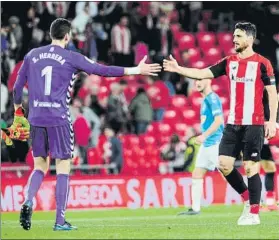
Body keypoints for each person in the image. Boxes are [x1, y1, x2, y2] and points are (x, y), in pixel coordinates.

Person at [13, 18, 161, 231]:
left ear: (50, 35)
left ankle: (28, 200)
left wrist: (19, 111)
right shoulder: (72, 57)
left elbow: (17, 88)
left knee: (40, 166)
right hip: (59, 118)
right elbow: (103, 70)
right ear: (67, 36)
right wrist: (136, 70)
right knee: (63, 167)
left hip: (36, 118)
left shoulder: (32, 55)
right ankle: (59, 221)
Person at [163, 22, 278, 225]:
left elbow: (272, 94)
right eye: (234, 36)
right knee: (223, 165)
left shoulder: (262, 63)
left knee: (251, 167)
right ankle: (246, 199)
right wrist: (178, 68)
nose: (234, 39)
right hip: (233, 124)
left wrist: (271, 121)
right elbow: (202, 73)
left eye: (239, 36)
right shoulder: (229, 62)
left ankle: (253, 213)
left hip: (254, 124)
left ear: (250, 39)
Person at [178, 79, 224, 215]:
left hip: (215, 143)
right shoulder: (205, 100)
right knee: (197, 173)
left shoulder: (212, 99)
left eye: (200, 79)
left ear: (208, 80)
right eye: (195, 80)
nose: (197, 83)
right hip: (207, 144)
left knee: (227, 174)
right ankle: (195, 208)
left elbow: (219, 121)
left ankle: (252, 201)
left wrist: (204, 136)